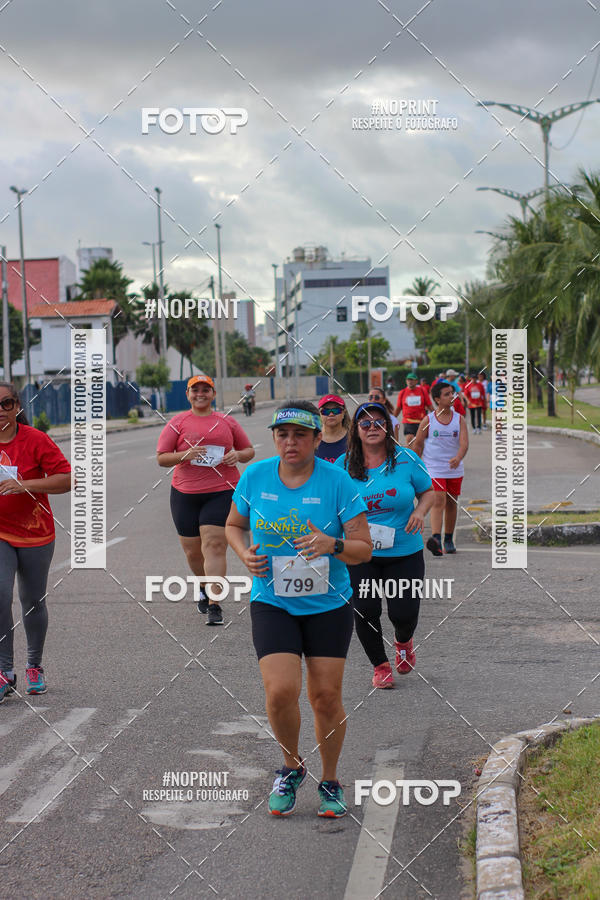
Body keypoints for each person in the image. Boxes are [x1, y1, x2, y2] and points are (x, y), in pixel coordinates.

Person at [225, 401, 372, 818]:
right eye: (283, 434)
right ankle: (291, 767)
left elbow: (363, 550)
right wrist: (242, 554)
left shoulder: (338, 482)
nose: (291, 442)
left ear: (314, 438)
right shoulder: (254, 476)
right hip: (272, 601)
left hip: (328, 603)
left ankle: (330, 779)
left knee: (325, 697)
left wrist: (333, 544)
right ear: (274, 437)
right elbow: (233, 525)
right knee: (279, 693)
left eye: (300, 435)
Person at [336, 403, 434, 688]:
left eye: (379, 423)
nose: (372, 428)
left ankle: (403, 642)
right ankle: (380, 666)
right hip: (360, 553)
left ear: (388, 428)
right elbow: (332, 504)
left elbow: (428, 492)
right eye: (365, 424)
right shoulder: (343, 466)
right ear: (355, 430)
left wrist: (419, 512)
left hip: (404, 550)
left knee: (404, 613)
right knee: (365, 611)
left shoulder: (406, 459)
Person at [156, 375, 255, 625]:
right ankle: (204, 585)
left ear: (213, 394)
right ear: (188, 394)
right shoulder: (177, 423)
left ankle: (214, 603)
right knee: (193, 551)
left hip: (222, 490)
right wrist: (184, 455)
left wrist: (237, 456)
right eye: (195, 390)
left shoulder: (226, 421)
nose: (201, 394)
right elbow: (161, 457)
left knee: (214, 545)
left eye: (206, 390)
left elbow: (248, 451)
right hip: (185, 493)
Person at [0, 383, 72, 701]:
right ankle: (4, 670)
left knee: (32, 602)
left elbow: (67, 479)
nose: (0, 409)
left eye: (6, 403)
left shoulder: (36, 440)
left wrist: (23, 484)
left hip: (34, 532)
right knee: (0, 595)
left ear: (17, 407)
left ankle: (34, 665)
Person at [412, 381, 469, 556]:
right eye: (446, 394)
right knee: (439, 501)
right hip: (434, 468)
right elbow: (419, 444)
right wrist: (415, 465)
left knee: (452, 503)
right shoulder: (428, 420)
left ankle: (449, 539)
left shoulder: (459, 419)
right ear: (437, 399)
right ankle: (436, 538)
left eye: (452, 393)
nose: (451, 396)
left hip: (454, 469)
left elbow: (464, 444)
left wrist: (458, 457)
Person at [394, 372, 432, 447]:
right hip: (408, 421)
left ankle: (418, 458)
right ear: (406, 381)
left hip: (421, 421)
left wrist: (436, 415)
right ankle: (410, 458)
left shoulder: (422, 390)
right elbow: (398, 408)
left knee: (420, 444)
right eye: (408, 380)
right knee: (409, 440)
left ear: (416, 381)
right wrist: (392, 418)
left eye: (412, 380)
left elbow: (429, 405)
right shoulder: (403, 392)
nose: (410, 381)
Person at [315, 394, 350, 463]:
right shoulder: (312, 439)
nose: (331, 414)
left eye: (336, 410)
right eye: (325, 411)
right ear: (319, 414)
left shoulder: (354, 437)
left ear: (343, 413)